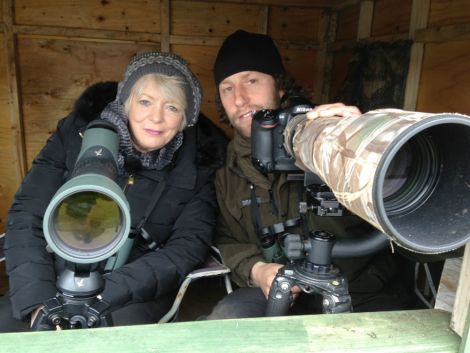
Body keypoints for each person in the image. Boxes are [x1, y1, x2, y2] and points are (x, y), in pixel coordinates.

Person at [0, 51, 227, 331]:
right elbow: (27, 215)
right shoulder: (74, 136)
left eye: (172, 107)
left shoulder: (199, 163)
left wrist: (105, 295)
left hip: (134, 291)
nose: (156, 118)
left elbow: (187, 246)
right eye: (145, 102)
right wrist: (38, 302)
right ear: (126, 102)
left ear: (185, 118)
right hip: (51, 276)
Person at [206, 30, 409, 319]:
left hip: (359, 290)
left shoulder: (329, 139)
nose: (240, 98)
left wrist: (362, 141)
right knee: (227, 322)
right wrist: (257, 269)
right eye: (227, 88)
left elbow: (405, 198)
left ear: (279, 87)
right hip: (272, 292)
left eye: (251, 80)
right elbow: (225, 239)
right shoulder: (225, 172)